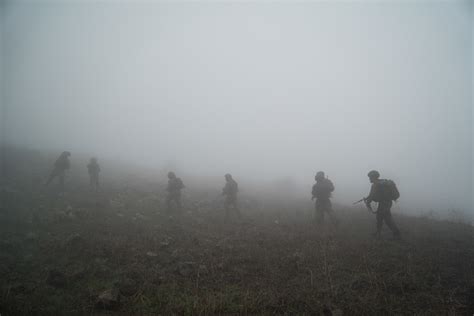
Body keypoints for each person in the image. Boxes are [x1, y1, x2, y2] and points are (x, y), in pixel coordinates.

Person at [365, 170, 401, 239]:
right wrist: (368, 199)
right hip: (386, 203)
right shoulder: (381, 183)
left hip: (384, 204)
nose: (369, 179)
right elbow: (373, 195)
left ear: (374, 177)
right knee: (379, 218)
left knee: (387, 219)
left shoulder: (376, 184)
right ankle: (378, 233)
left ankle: (397, 233)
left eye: (370, 177)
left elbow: (372, 196)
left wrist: (368, 202)